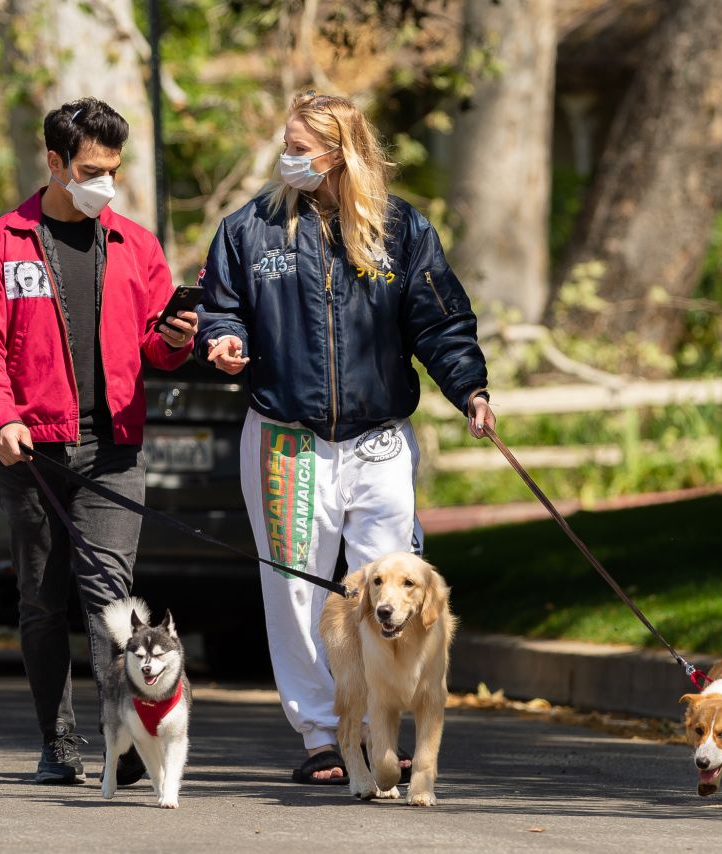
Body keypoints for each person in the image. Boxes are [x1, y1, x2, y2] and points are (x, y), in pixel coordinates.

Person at [194, 91, 496, 785]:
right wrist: (226, 341)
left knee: (392, 586)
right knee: (296, 591)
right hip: (285, 440)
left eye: (302, 149)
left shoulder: (400, 229)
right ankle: (324, 737)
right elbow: (219, 309)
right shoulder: (251, 230)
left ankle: (384, 726)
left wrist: (469, 389)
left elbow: (440, 322)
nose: (288, 159)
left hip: (378, 441)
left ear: (340, 155)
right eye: (287, 145)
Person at [0, 98, 198, 786]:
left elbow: (155, 340)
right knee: (41, 600)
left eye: (113, 171)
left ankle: (117, 743)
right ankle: (57, 743)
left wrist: (176, 341)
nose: (104, 184)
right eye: (91, 170)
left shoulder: (135, 244)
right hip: (31, 453)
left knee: (108, 598)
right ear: (55, 163)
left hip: (113, 451)